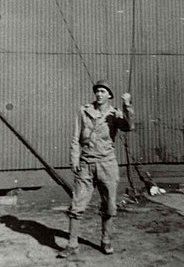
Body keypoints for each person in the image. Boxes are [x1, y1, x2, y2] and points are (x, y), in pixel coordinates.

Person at [58, 79, 134, 258]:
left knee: (109, 205)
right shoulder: (84, 111)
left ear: (109, 95)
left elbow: (129, 127)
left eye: (103, 91)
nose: (99, 94)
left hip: (107, 165)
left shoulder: (115, 114)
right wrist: (74, 159)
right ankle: (72, 244)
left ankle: (106, 240)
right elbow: (76, 137)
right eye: (97, 91)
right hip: (85, 164)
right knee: (77, 204)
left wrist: (127, 105)